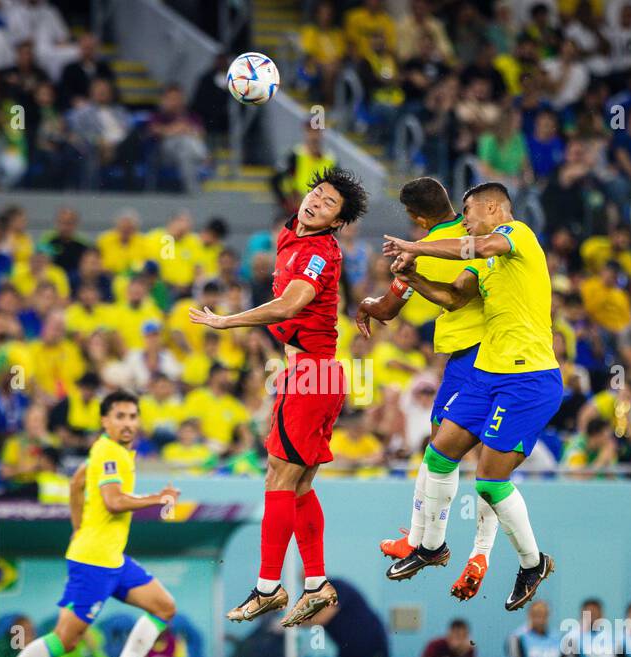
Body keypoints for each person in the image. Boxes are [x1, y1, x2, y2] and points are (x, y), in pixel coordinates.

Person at [187, 168, 369, 627]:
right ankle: (316, 584)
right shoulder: (290, 232)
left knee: (278, 479)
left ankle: (268, 588)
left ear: (335, 223)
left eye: (330, 204)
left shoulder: (320, 253)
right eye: (317, 193)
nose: (317, 202)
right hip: (311, 373)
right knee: (301, 484)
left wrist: (227, 321)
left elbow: (291, 305)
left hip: (310, 374)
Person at [381, 182, 559, 611]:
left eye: (470, 211)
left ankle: (532, 562)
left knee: (490, 482)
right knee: (438, 453)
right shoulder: (487, 264)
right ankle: (431, 546)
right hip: (486, 374)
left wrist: (418, 247)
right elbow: (454, 297)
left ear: (494, 207)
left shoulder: (518, 237)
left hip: (528, 378)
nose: (465, 219)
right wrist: (413, 276)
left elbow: (478, 245)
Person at [0, 390, 183, 657]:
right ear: (104, 421)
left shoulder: (111, 452)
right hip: (94, 562)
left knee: (164, 607)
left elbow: (76, 482)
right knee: (65, 640)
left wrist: (76, 527)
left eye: (132, 416)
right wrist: (157, 498)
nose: (128, 423)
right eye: (120, 417)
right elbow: (113, 502)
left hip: (112, 558)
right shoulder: (110, 452)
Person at [356, 177, 497, 600]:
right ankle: (425, 542)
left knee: (458, 455)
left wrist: (367, 306)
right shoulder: (480, 235)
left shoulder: (428, 248)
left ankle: (450, 548)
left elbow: (389, 308)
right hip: (486, 356)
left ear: (417, 218)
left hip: (476, 358)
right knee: (459, 452)